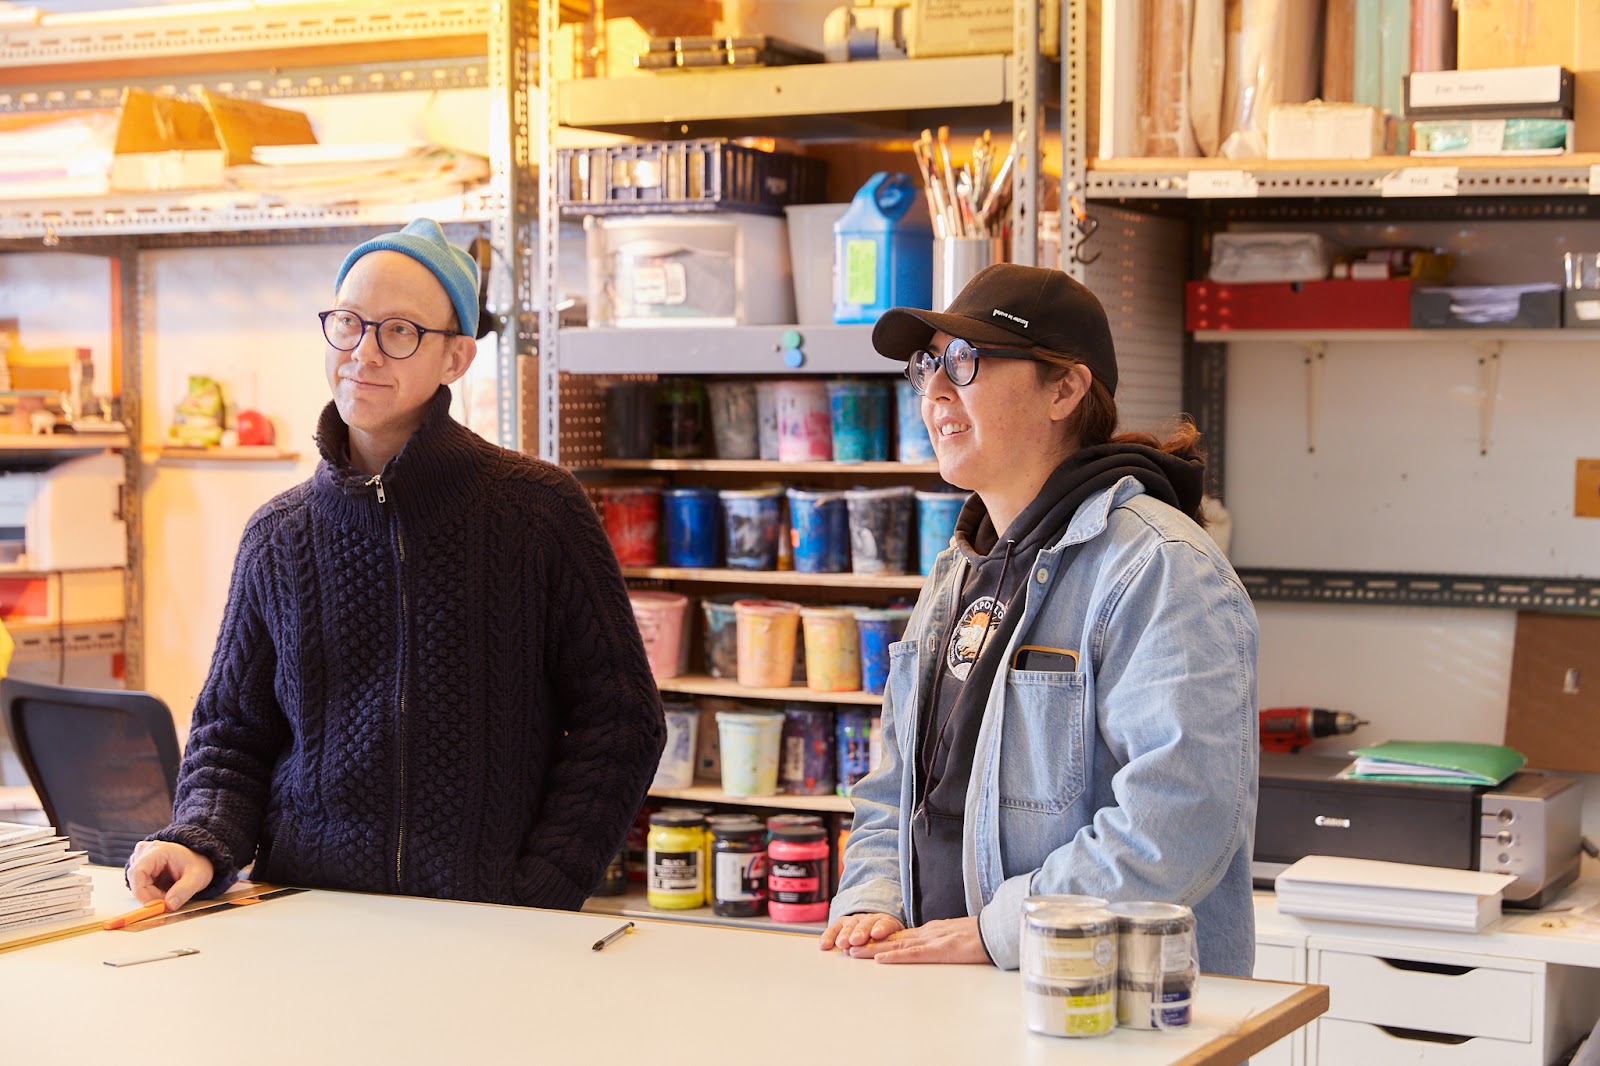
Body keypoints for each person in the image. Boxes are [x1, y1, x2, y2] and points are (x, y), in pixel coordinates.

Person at [127, 219, 666, 913]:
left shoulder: (539, 513)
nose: (364, 353)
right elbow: (231, 734)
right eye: (348, 323)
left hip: (490, 926)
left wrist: (542, 889)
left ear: (457, 358)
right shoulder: (278, 535)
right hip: (308, 917)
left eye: (400, 331)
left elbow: (622, 721)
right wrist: (198, 838)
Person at [820, 263, 1259, 975]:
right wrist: (876, 899)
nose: (934, 388)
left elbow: (1180, 817)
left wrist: (1001, 933)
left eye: (964, 361)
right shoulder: (957, 574)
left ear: (1065, 388)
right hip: (949, 994)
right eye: (926, 364)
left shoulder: (1160, 567)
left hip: (1107, 1012)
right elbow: (895, 782)